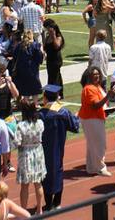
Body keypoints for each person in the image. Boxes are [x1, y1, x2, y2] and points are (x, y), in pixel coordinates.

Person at [37, 84, 80, 212]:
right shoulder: (63, 112)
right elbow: (75, 127)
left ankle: (48, 204)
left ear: (44, 97)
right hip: (59, 148)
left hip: (43, 149)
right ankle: (57, 203)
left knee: (45, 173)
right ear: (57, 97)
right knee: (58, 170)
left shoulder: (40, 114)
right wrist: (76, 117)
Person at [78, 66, 115, 176]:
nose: (97, 76)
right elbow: (95, 105)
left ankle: (91, 167)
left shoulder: (97, 86)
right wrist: (108, 96)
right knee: (100, 144)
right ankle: (100, 167)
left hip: (96, 117)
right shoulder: (89, 88)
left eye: (98, 74)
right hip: (91, 118)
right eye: (94, 74)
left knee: (92, 144)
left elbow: (100, 104)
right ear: (89, 76)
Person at [14, 99, 47, 213]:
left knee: (25, 186)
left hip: (26, 155)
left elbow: (17, 143)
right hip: (38, 153)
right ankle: (39, 209)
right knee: (38, 183)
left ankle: (24, 211)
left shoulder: (21, 126)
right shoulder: (40, 123)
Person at [11, 30, 45, 100]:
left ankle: (26, 104)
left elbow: (14, 56)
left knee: (25, 89)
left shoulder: (19, 45)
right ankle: (35, 104)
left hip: (21, 70)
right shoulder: (35, 45)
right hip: (33, 70)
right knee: (34, 89)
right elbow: (39, 58)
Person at [43, 19, 65, 96]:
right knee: (55, 76)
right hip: (49, 59)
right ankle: (59, 93)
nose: (46, 29)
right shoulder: (47, 36)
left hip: (56, 60)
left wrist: (53, 36)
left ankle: (54, 95)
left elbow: (57, 46)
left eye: (46, 28)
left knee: (54, 78)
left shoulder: (58, 37)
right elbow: (45, 47)